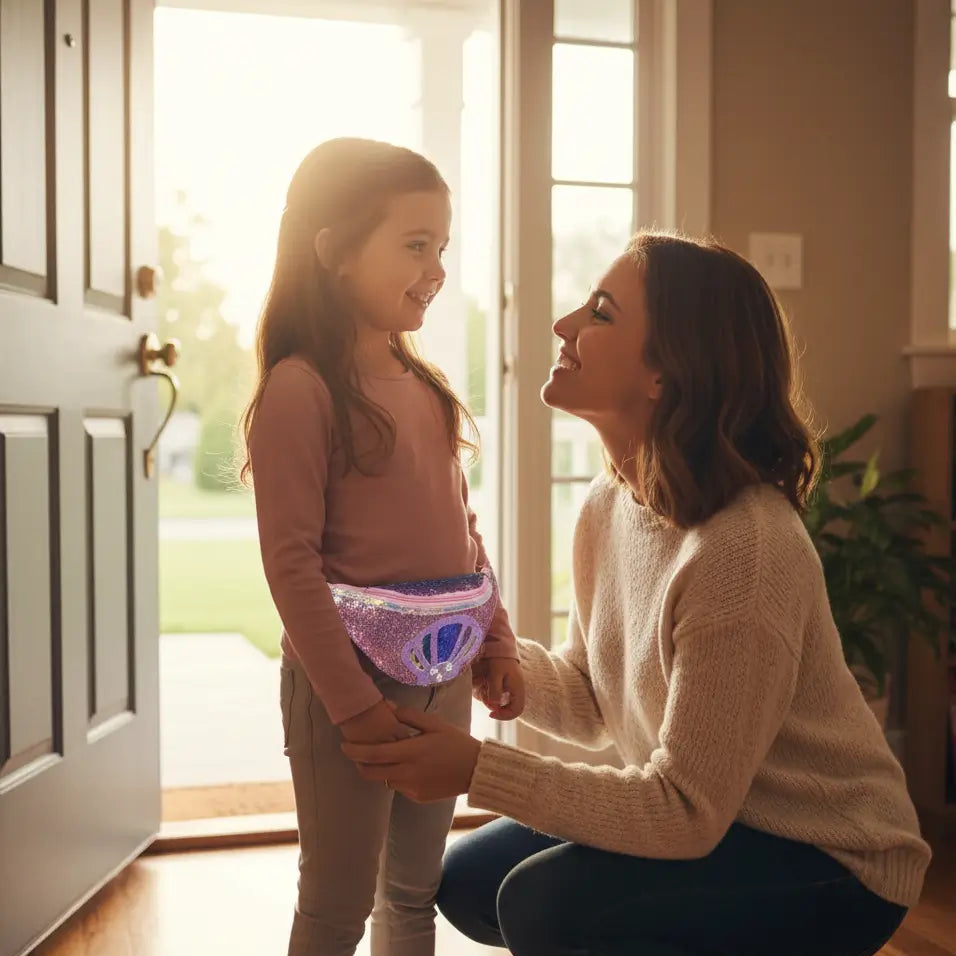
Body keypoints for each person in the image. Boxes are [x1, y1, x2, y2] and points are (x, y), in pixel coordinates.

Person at [342, 231, 932, 956]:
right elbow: (595, 700)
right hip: (719, 823)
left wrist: (475, 767)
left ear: (666, 371)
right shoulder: (610, 504)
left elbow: (684, 811)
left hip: (832, 861)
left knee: (544, 905)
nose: (565, 327)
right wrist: (489, 654)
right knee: (467, 881)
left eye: (601, 313)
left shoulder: (743, 550)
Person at [240, 137, 524, 956]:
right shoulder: (301, 389)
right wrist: (354, 706)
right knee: (337, 902)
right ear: (333, 251)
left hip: (443, 674)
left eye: (441, 248)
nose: (435, 268)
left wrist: (496, 641)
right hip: (348, 689)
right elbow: (291, 565)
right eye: (413, 245)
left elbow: (464, 535)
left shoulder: (426, 386)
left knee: (414, 892)